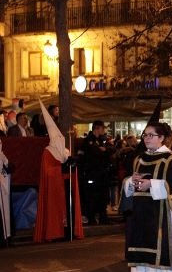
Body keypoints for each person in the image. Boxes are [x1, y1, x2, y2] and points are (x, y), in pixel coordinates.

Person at [123, 122, 172, 272]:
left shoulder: (170, 160)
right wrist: (132, 181)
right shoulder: (139, 159)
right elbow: (129, 184)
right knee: (144, 242)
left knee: (158, 244)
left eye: (151, 135)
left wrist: (151, 184)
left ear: (161, 138)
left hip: (162, 213)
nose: (147, 138)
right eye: (145, 135)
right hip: (142, 211)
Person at [33, 101, 83, 242]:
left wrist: (72, 164)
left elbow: (71, 169)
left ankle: (69, 231)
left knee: (68, 210)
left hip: (67, 187)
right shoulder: (47, 152)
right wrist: (62, 167)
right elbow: (48, 172)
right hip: (55, 189)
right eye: (58, 138)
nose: (60, 139)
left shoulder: (65, 151)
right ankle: (55, 232)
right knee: (56, 211)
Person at [79, 120, 116, 225]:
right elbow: (93, 154)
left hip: (102, 174)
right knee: (92, 197)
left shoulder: (103, 140)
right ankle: (91, 218)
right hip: (92, 174)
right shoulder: (88, 141)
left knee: (103, 197)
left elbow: (112, 149)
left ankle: (103, 217)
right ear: (97, 128)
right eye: (102, 129)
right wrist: (102, 151)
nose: (103, 131)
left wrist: (105, 150)